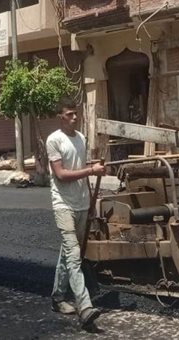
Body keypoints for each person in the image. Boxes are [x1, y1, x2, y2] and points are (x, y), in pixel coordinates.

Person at [45, 103, 104, 330]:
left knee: (68, 252)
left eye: (76, 113)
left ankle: (58, 298)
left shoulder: (81, 138)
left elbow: (82, 170)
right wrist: (91, 170)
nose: (75, 117)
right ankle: (85, 306)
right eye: (70, 114)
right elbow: (60, 174)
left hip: (82, 204)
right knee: (74, 255)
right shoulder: (54, 140)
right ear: (60, 117)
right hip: (63, 204)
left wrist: (91, 202)